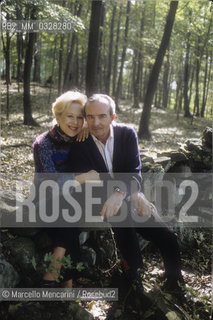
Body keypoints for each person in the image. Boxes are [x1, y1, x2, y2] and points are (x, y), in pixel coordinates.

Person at [66, 93, 184, 293]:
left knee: (167, 237)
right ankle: (133, 274)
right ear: (85, 118)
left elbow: (134, 171)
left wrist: (129, 193)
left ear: (113, 117)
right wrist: (126, 191)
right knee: (121, 215)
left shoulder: (127, 135)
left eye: (102, 116)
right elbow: (91, 184)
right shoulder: (80, 144)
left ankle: (175, 282)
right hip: (95, 200)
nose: (96, 122)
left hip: (126, 195)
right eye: (90, 117)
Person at [33, 91, 99, 287]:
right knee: (68, 208)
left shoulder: (82, 138)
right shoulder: (43, 144)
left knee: (71, 205)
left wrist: (88, 125)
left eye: (80, 118)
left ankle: (58, 279)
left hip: (73, 199)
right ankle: (62, 279)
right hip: (46, 199)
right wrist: (83, 177)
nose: (75, 122)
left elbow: (109, 127)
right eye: (70, 116)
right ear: (58, 116)